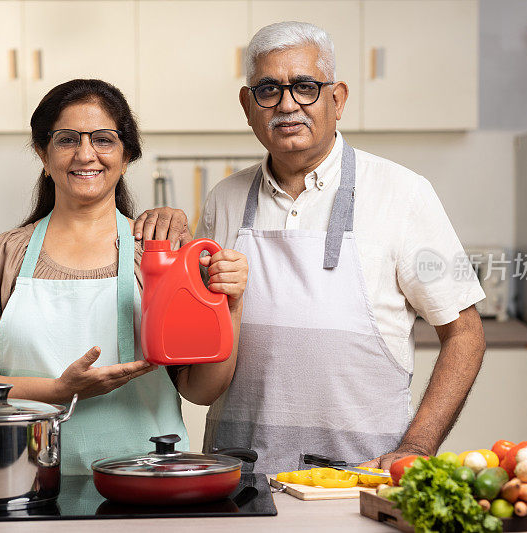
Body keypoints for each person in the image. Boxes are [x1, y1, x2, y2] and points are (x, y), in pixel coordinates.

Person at [134, 22, 486, 474]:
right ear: (247, 105)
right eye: (268, 90)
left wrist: (418, 444)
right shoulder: (224, 198)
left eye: (305, 87)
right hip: (241, 476)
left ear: (336, 99)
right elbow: (201, 335)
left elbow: (465, 332)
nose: (287, 105)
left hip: (364, 473)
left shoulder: (405, 193)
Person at [0, 79, 248, 474]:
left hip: (142, 483)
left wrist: (231, 304)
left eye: (103, 139)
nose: (85, 154)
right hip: (22, 482)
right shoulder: (7, 253)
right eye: (67, 139)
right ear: (43, 152)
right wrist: (58, 392)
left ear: (127, 155)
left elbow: (200, 390)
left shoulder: (156, 255)